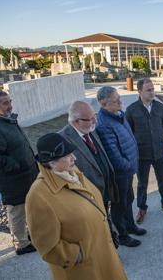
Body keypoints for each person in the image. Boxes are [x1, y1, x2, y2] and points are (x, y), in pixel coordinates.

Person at [25, 133, 127, 280]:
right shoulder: (38, 195)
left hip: (104, 255)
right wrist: (76, 255)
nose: (74, 158)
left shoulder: (71, 172)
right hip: (83, 269)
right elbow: (45, 244)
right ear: (52, 163)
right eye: (67, 156)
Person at [0, 90, 37, 255]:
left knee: (26, 209)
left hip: (25, 176)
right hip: (12, 181)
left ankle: (26, 236)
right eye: (5, 103)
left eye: (10, 101)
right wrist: (16, 164)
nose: (10, 105)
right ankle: (21, 244)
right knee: (17, 212)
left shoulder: (7, 120)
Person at [59, 100, 120, 245]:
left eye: (95, 116)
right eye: (90, 119)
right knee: (95, 231)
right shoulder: (62, 139)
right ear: (76, 122)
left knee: (105, 222)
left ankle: (110, 246)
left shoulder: (90, 129)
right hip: (87, 197)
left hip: (103, 192)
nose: (94, 121)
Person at [96, 86, 146, 247]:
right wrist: (127, 165)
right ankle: (123, 236)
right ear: (104, 104)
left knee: (129, 199)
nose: (120, 101)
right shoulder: (103, 123)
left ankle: (130, 226)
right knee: (119, 205)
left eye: (119, 97)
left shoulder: (118, 115)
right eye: (116, 100)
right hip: (120, 173)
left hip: (128, 169)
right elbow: (113, 153)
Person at [126, 78, 163, 223]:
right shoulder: (131, 110)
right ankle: (142, 208)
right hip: (142, 155)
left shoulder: (161, 108)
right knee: (142, 183)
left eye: (153, 89)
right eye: (148, 90)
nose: (152, 92)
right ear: (140, 91)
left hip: (159, 153)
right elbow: (128, 133)